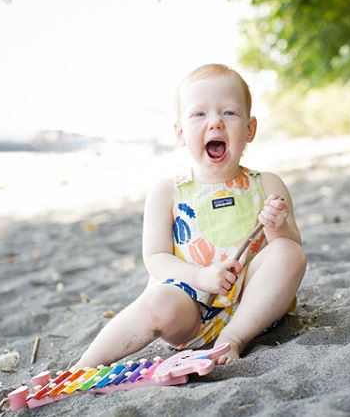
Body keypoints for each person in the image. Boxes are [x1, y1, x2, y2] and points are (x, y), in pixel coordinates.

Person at [74, 63, 306, 368]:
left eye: (229, 113)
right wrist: (200, 277)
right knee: (157, 301)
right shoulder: (167, 192)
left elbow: (293, 247)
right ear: (180, 133)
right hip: (190, 312)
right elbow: (156, 259)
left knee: (288, 253)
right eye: (199, 114)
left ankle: (232, 339)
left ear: (250, 129)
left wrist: (278, 229)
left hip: (255, 308)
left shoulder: (267, 184)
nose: (215, 123)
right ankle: (84, 365)